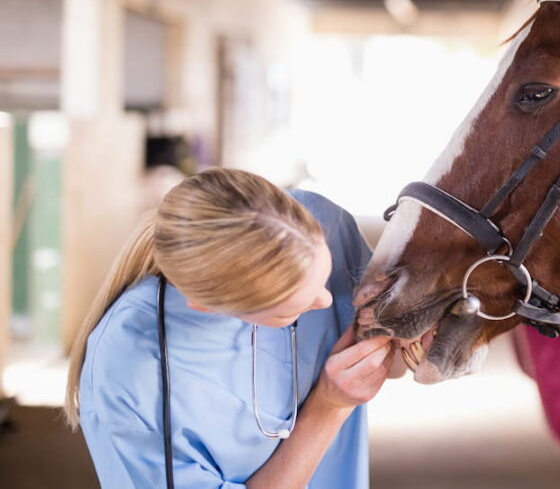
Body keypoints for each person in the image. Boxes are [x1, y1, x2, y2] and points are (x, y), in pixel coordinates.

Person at [64, 167, 392, 488]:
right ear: (210, 306)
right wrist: (328, 408)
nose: (326, 302)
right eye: (287, 311)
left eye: (326, 275)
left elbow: (398, 358)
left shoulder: (323, 221)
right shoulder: (130, 371)